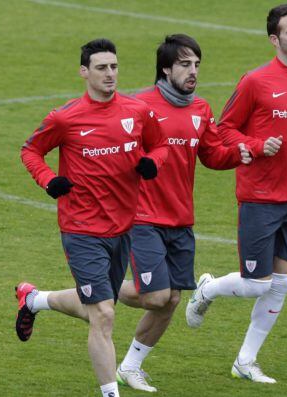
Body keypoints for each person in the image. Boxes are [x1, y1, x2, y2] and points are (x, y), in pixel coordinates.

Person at [185, 3, 287, 384]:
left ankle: (246, 361)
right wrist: (258, 146)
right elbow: (224, 131)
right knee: (254, 284)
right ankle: (207, 288)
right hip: (260, 197)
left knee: (283, 282)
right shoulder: (255, 81)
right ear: (275, 39)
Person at [16, 38, 168, 397]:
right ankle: (110, 392)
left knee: (100, 307)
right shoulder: (65, 118)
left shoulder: (137, 111)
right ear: (84, 72)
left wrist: (153, 162)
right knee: (104, 314)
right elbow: (31, 150)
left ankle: (34, 300)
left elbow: (160, 145)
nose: (110, 74)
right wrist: (48, 180)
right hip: (81, 228)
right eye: (101, 68)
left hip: (123, 227)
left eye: (114, 66)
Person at [112, 34, 251, 393]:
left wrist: (242, 154)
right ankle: (96, 289)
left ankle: (130, 367)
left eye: (197, 65)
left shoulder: (201, 109)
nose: (193, 72)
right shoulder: (138, 105)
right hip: (142, 216)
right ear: (166, 68)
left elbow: (213, 154)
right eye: (185, 65)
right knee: (157, 296)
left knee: (171, 299)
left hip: (180, 218)